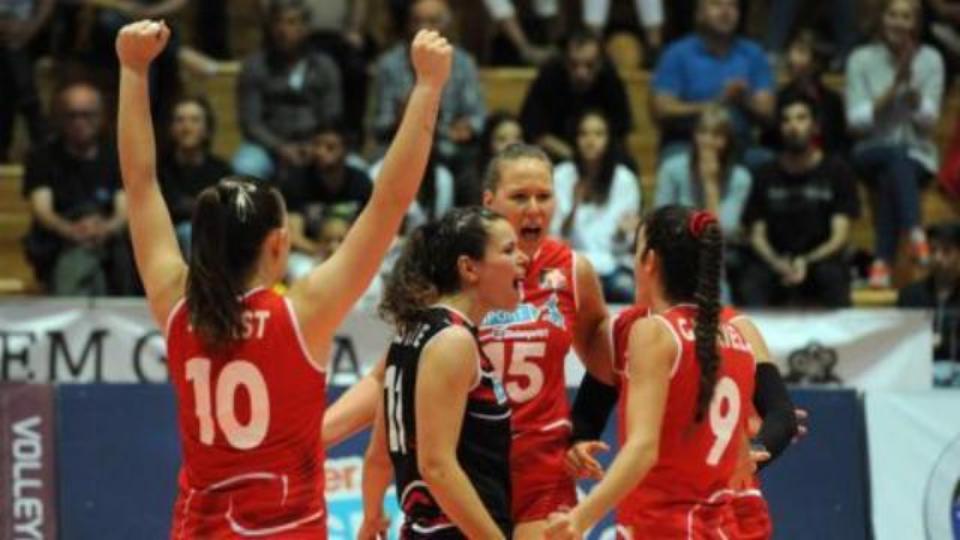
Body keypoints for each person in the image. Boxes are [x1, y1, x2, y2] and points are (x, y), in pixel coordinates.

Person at [116, 20, 451, 536]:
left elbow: (140, 185)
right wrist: (427, 87)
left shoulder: (178, 307)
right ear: (277, 243)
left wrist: (133, 70)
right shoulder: (301, 313)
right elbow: (388, 201)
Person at [323, 144, 617, 540]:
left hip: (542, 472)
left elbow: (603, 351)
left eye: (544, 196)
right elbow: (387, 378)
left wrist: (584, 430)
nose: (534, 208)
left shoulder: (572, 271)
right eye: (520, 197)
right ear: (489, 203)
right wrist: (315, 437)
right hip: (470, 471)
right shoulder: (455, 278)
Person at [544, 206, 755, 539]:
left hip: (662, 526)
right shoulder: (738, 338)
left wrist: (580, 518)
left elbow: (643, 447)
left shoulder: (653, 332)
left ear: (650, 261)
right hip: (716, 527)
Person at [359, 207, 527, 539]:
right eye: (508, 250)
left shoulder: (410, 333)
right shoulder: (453, 341)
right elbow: (436, 467)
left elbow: (378, 456)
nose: (523, 258)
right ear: (469, 268)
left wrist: (372, 516)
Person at [846, 0, 944, 287]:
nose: (899, 23)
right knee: (895, 156)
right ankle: (914, 231)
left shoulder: (931, 59)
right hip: (869, 151)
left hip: (918, 155)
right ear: (882, 18)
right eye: (892, 15)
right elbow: (855, 122)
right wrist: (892, 90)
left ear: (916, 23)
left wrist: (911, 91)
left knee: (894, 168)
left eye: (906, 17)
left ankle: (881, 263)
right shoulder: (860, 59)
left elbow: (930, 121)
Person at [739, 94, 859, 307]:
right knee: (752, 280)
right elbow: (757, 235)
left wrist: (807, 261)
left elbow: (839, 236)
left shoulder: (837, 171)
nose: (793, 126)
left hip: (820, 259)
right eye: (786, 120)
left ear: (815, 127)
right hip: (775, 261)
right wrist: (777, 263)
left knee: (832, 275)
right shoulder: (765, 174)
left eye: (801, 118)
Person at [21, 81, 136, 295]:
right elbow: (42, 210)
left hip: (110, 242)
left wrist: (104, 229)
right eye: (71, 115)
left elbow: (124, 210)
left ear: (101, 117)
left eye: (87, 115)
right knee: (82, 261)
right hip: (59, 243)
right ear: (59, 118)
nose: (79, 122)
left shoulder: (118, 156)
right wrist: (71, 231)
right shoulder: (42, 157)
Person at [651, 0, 774, 164]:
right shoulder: (677, 53)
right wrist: (716, 103)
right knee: (675, 162)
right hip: (687, 143)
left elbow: (768, 111)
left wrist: (744, 99)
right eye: (716, 4)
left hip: (739, 145)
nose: (725, 12)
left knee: (767, 162)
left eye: (732, 6)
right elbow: (661, 110)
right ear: (699, 14)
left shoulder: (753, 54)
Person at [233, 0, 343, 181]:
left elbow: (332, 115)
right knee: (246, 165)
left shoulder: (324, 66)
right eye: (278, 22)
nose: (283, 29)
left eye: (291, 22)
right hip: (267, 146)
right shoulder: (255, 66)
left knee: (354, 166)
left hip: (315, 144)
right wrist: (280, 148)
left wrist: (314, 145)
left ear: (306, 28)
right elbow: (251, 123)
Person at [551, 110, 642, 302]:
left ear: (610, 139)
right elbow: (556, 238)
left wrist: (622, 232)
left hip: (612, 266)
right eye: (584, 134)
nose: (591, 140)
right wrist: (574, 208)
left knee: (630, 290)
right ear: (575, 139)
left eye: (599, 134)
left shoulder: (625, 179)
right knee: (545, 288)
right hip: (570, 266)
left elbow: (624, 244)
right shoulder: (561, 176)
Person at [519, 29, 633, 162]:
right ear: (565, 61)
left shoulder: (610, 80)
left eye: (589, 65)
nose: (581, 73)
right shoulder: (549, 76)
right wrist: (574, 157)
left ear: (600, 63)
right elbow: (535, 131)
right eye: (574, 64)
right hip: (556, 154)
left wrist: (591, 153)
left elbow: (620, 132)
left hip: (601, 155)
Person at [158, 95, 232, 256]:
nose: (187, 127)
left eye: (195, 120)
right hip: (168, 240)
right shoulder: (160, 169)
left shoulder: (222, 170)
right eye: (180, 120)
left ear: (207, 130)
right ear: (171, 129)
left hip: (213, 237)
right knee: (188, 232)